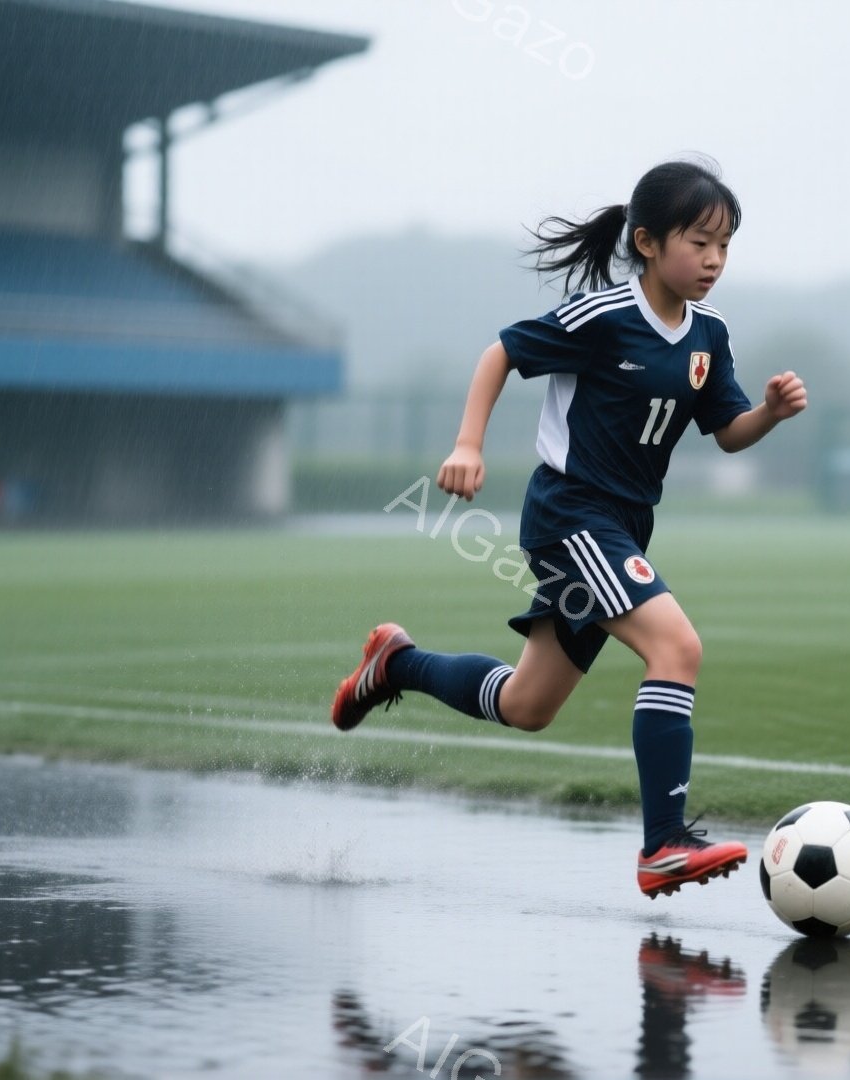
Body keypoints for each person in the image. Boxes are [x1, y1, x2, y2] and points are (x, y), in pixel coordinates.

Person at [330, 157, 808, 898]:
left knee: (527, 706)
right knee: (677, 647)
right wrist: (467, 443)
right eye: (698, 241)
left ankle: (396, 664)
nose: (713, 259)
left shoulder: (709, 334)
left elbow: (728, 433)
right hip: (571, 515)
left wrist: (769, 414)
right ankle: (662, 845)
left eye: (724, 245)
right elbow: (503, 353)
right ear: (647, 242)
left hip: (622, 527)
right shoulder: (603, 316)